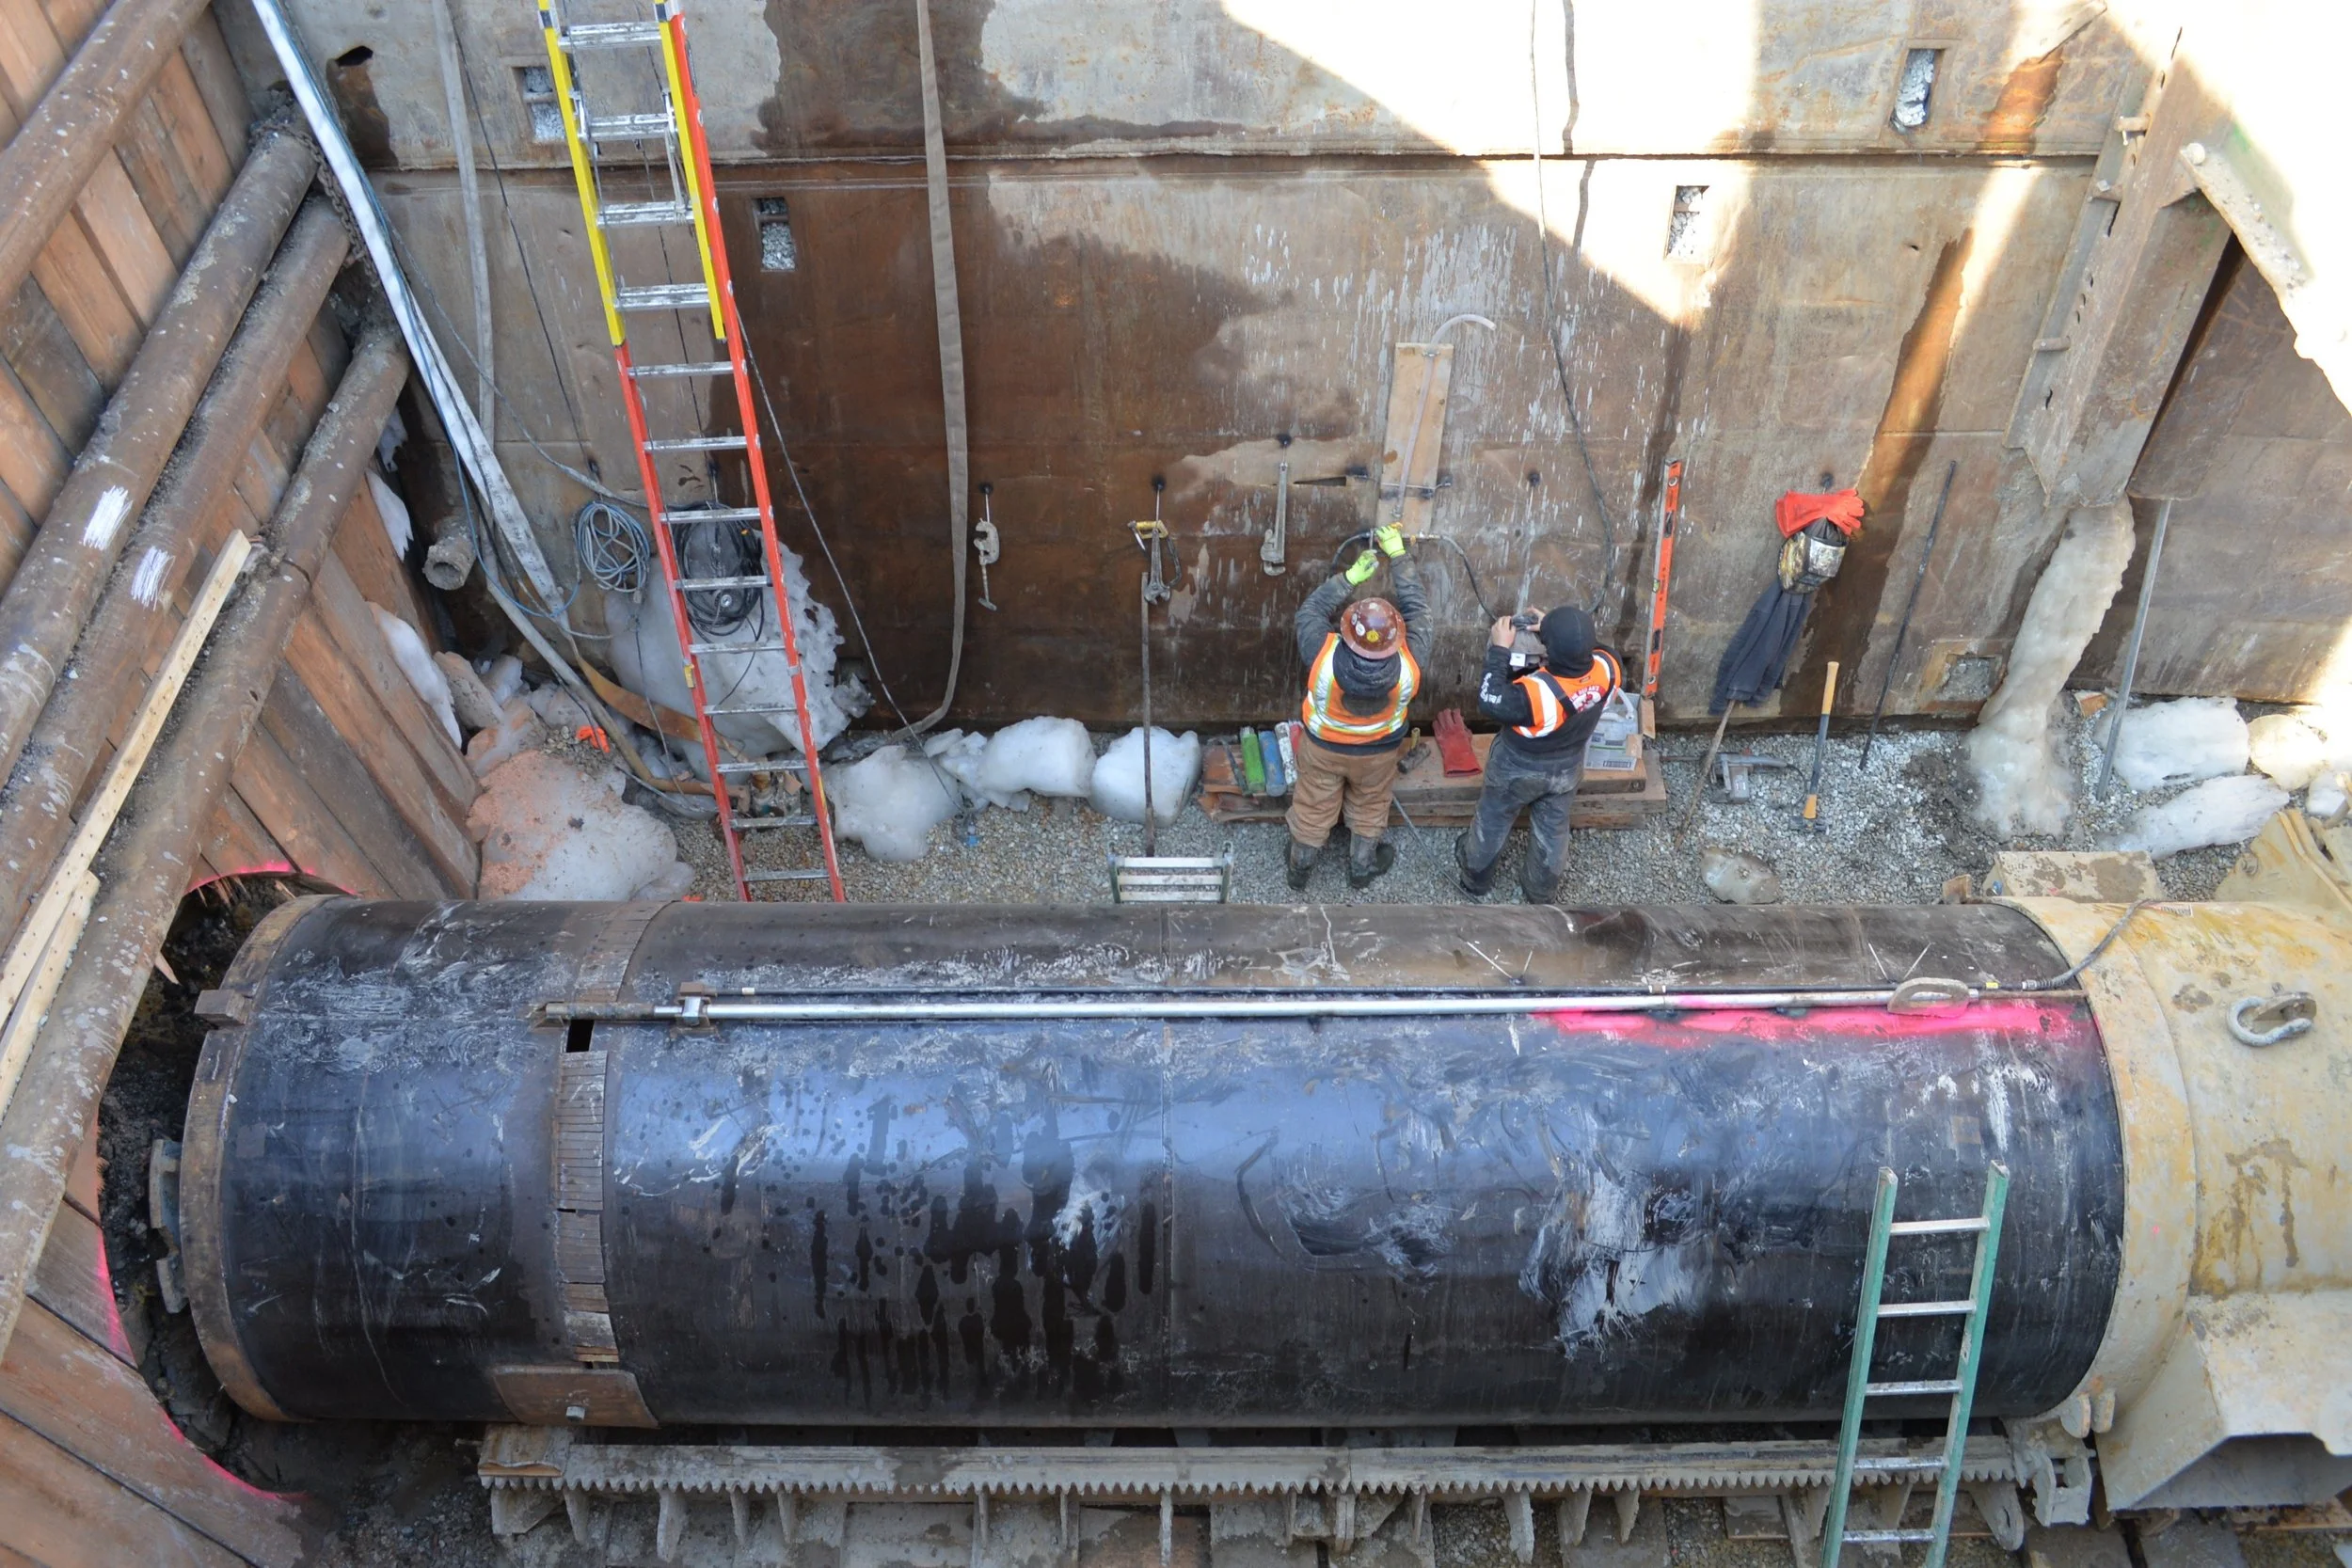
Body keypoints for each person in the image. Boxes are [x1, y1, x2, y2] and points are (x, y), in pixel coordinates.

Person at [1283, 522, 1428, 891]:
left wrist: (1349, 577)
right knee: (1370, 804)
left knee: (1314, 803)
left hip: (1322, 748)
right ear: (1397, 638)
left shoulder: (1323, 652)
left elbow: (1310, 611)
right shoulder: (1412, 661)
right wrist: (1398, 554)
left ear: (1348, 631)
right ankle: (1361, 869)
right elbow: (1419, 612)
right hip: (1379, 753)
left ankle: (1299, 870)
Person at [1456, 604, 1623, 903]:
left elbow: (1490, 700)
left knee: (1493, 817)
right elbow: (1598, 648)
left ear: (1550, 652)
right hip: (1568, 766)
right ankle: (1540, 892)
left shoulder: (1536, 695)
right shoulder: (1608, 668)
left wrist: (1500, 649)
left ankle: (1475, 879)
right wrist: (1558, 630)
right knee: (1553, 826)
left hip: (1518, 767)